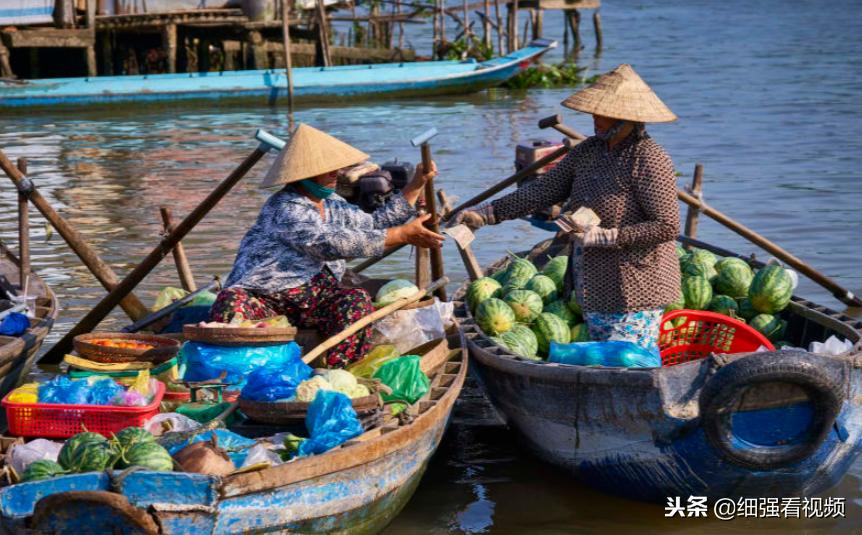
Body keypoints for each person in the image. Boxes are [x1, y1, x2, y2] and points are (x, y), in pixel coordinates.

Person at [451, 64, 680, 356]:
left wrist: (607, 237)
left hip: (636, 286)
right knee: (602, 359)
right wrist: (488, 213)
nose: (595, 119)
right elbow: (542, 190)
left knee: (628, 362)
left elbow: (667, 226)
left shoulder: (649, 159)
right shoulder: (588, 151)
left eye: (603, 114)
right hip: (593, 280)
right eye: (595, 112)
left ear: (626, 119)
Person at [211, 123, 444, 367]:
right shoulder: (285, 207)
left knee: (355, 301)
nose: (336, 173)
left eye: (336, 167)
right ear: (304, 175)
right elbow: (328, 244)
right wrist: (403, 235)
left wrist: (417, 183)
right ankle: (232, 378)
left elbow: (376, 223)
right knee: (230, 303)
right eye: (326, 169)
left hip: (313, 299)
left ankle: (332, 372)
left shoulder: (333, 203)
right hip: (265, 297)